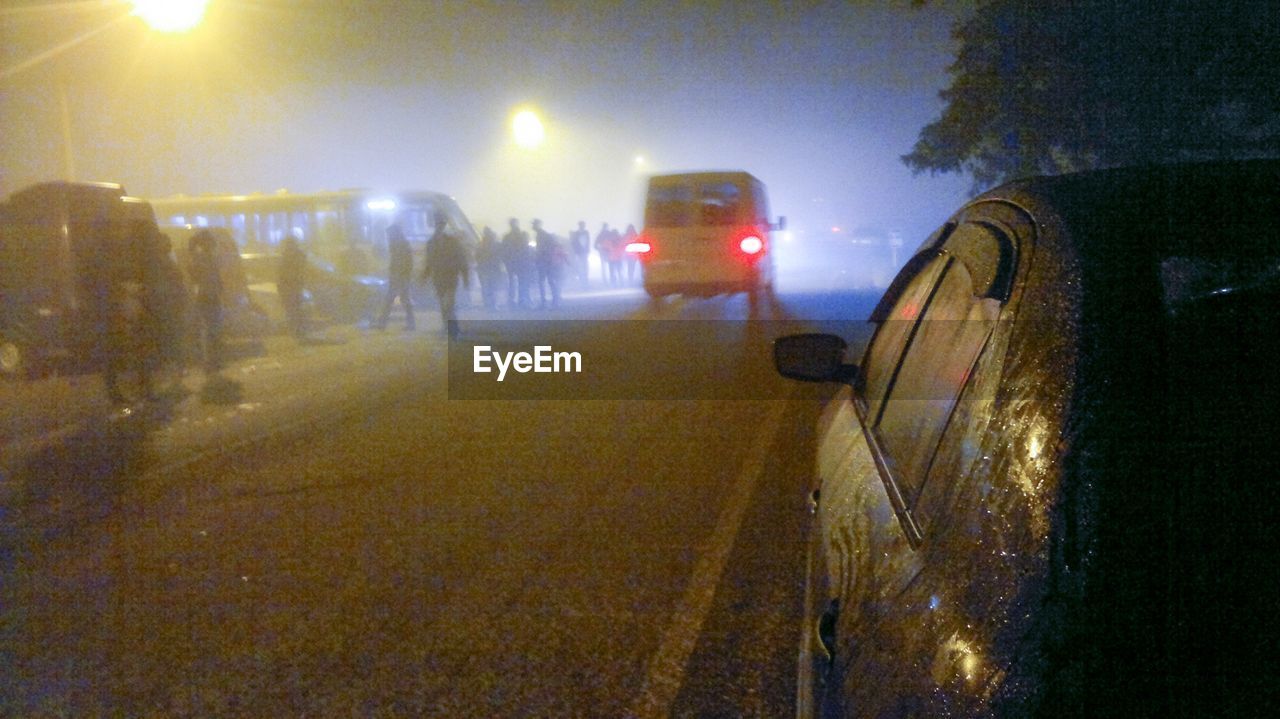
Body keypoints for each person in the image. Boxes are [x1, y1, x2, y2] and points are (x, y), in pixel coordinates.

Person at [422, 215, 471, 339]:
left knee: (449, 304)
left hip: (450, 277)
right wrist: (424, 276)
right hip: (439, 278)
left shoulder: (451, 242)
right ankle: (447, 327)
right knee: (443, 304)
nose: (439, 227)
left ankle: (453, 329)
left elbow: (461, 259)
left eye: (441, 224)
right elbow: (429, 261)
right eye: (438, 224)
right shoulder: (432, 242)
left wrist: (465, 278)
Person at [187, 229, 224, 375]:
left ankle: (212, 362)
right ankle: (210, 363)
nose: (212, 244)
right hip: (207, 296)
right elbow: (197, 276)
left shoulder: (204, 258)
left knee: (211, 330)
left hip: (208, 296)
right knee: (210, 331)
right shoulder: (201, 258)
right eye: (209, 242)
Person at [374, 223, 415, 330]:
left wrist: (398, 273)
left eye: (389, 234)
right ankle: (410, 323)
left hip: (399, 276)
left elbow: (403, 262)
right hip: (400, 276)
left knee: (393, 299)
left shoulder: (399, 245)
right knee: (402, 299)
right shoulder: (400, 244)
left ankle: (382, 323)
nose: (388, 237)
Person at [278, 232, 308, 341]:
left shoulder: (288, 256)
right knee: (294, 309)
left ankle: (296, 331)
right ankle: (297, 331)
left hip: (291, 287)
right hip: (292, 287)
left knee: (293, 310)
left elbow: (282, 274)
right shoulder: (296, 255)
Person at [500, 218, 533, 308]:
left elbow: (503, 251)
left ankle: (512, 300)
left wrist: (506, 261)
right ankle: (522, 300)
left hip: (512, 263)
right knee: (522, 282)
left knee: (512, 282)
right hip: (521, 263)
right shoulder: (523, 235)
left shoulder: (506, 237)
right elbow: (526, 249)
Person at [531, 219, 563, 309]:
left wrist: (539, 257)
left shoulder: (541, 235)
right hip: (547, 261)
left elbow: (542, 249)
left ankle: (546, 302)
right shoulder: (543, 234)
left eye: (534, 224)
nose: (532, 226)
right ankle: (555, 301)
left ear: (538, 225)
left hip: (544, 261)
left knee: (543, 281)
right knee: (550, 281)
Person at [475, 225, 504, 310]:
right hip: (493, 268)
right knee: (493, 287)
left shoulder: (481, 244)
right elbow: (500, 256)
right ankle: (494, 304)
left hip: (484, 268)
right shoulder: (496, 244)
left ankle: (487, 304)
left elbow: (477, 256)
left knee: (485, 287)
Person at [569, 220, 591, 288]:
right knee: (581, 267)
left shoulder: (586, 233)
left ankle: (585, 282)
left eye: (583, 225)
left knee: (585, 267)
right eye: (582, 225)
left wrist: (587, 250)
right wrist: (576, 251)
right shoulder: (577, 233)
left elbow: (588, 242)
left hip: (584, 252)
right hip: (579, 253)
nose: (583, 226)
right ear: (580, 226)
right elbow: (573, 243)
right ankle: (582, 282)